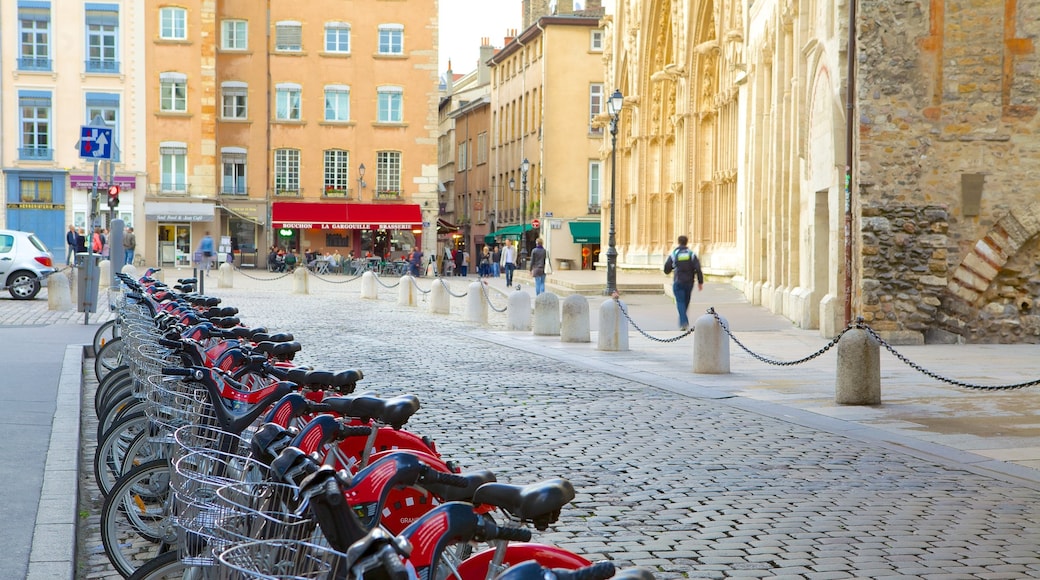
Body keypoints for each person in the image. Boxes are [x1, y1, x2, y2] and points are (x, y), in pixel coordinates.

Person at [663, 235, 704, 331]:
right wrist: (700, 282)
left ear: (679, 242)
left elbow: (667, 268)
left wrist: (669, 270)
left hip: (678, 281)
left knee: (680, 302)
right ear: (686, 242)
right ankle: (683, 319)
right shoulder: (691, 254)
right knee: (686, 301)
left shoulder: (674, 254)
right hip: (689, 282)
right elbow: (698, 269)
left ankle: (683, 322)